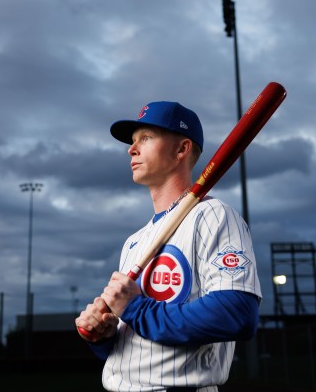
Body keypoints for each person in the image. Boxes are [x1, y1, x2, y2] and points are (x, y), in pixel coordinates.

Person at [75, 101, 262, 392]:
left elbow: (236, 312)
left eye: (146, 138)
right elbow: (135, 343)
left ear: (181, 149)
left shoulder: (212, 215)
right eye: (133, 141)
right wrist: (104, 335)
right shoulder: (134, 241)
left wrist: (136, 307)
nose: (131, 149)